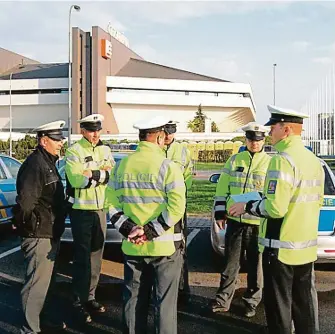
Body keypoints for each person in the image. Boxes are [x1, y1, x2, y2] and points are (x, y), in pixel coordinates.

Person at [229, 105, 324, 334]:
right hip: (305, 248)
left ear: (287, 130)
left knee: (279, 309)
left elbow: (276, 208)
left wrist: (248, 206)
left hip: (280, 249)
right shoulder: (313, 160)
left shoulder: (281, 161)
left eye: (274, 127)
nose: (269, 132)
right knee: (304, 308)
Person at [105, 115, 186, 334]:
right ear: (160, 137)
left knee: (133, 300)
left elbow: (110, 203)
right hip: (164, 247)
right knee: (164, 305)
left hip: (133, 246)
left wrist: (129, 228)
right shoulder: (168, 167)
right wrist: (149, 232)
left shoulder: (121, 166)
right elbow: (177, 208)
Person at [210, 122, 271, 318]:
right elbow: (222, 189)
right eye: (252, 139)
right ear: (246, 140)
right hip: (235, 221)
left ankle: (251, 301)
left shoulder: (270, 163)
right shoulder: (234, 160)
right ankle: (222, 300)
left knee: (256, 266)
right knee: (230, 264)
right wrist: (220, 213)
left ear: (263, 141)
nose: (255, 143)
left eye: (259, 140)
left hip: (257, 223)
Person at [13, 120, 67, 333]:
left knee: (45, 284)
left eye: (61, 138)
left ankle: (40, 319)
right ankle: (29, 329)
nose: (61, 142)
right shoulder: (35, 165)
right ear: (44, 141)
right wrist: (26, 228)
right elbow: (26, 203)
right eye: (56, 139)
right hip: (39, 234)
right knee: (35, 285)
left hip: (50, 231)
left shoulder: (48, 162)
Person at [65, 114, 114, 324]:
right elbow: (76, 179)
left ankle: (91, 296)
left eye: (98, 130)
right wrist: (99, 174)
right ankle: (78, 299)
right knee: (82, 258)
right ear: (83, 131)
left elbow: (112, 173)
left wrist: (91, 174)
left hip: (100, 210)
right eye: (91, 130)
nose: (95, 134)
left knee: (96, 257)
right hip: (82, 211)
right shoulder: (74, 151)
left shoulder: (105, 149)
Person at [164, 120, 193, 302]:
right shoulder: (156, 149)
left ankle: (182, 290)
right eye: (166, 132)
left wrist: (179, 197)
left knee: (180, 248)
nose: (168, 136)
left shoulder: (183, 151)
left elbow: (188, 176)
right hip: (158, 205)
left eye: (171, 132)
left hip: (177, 206)